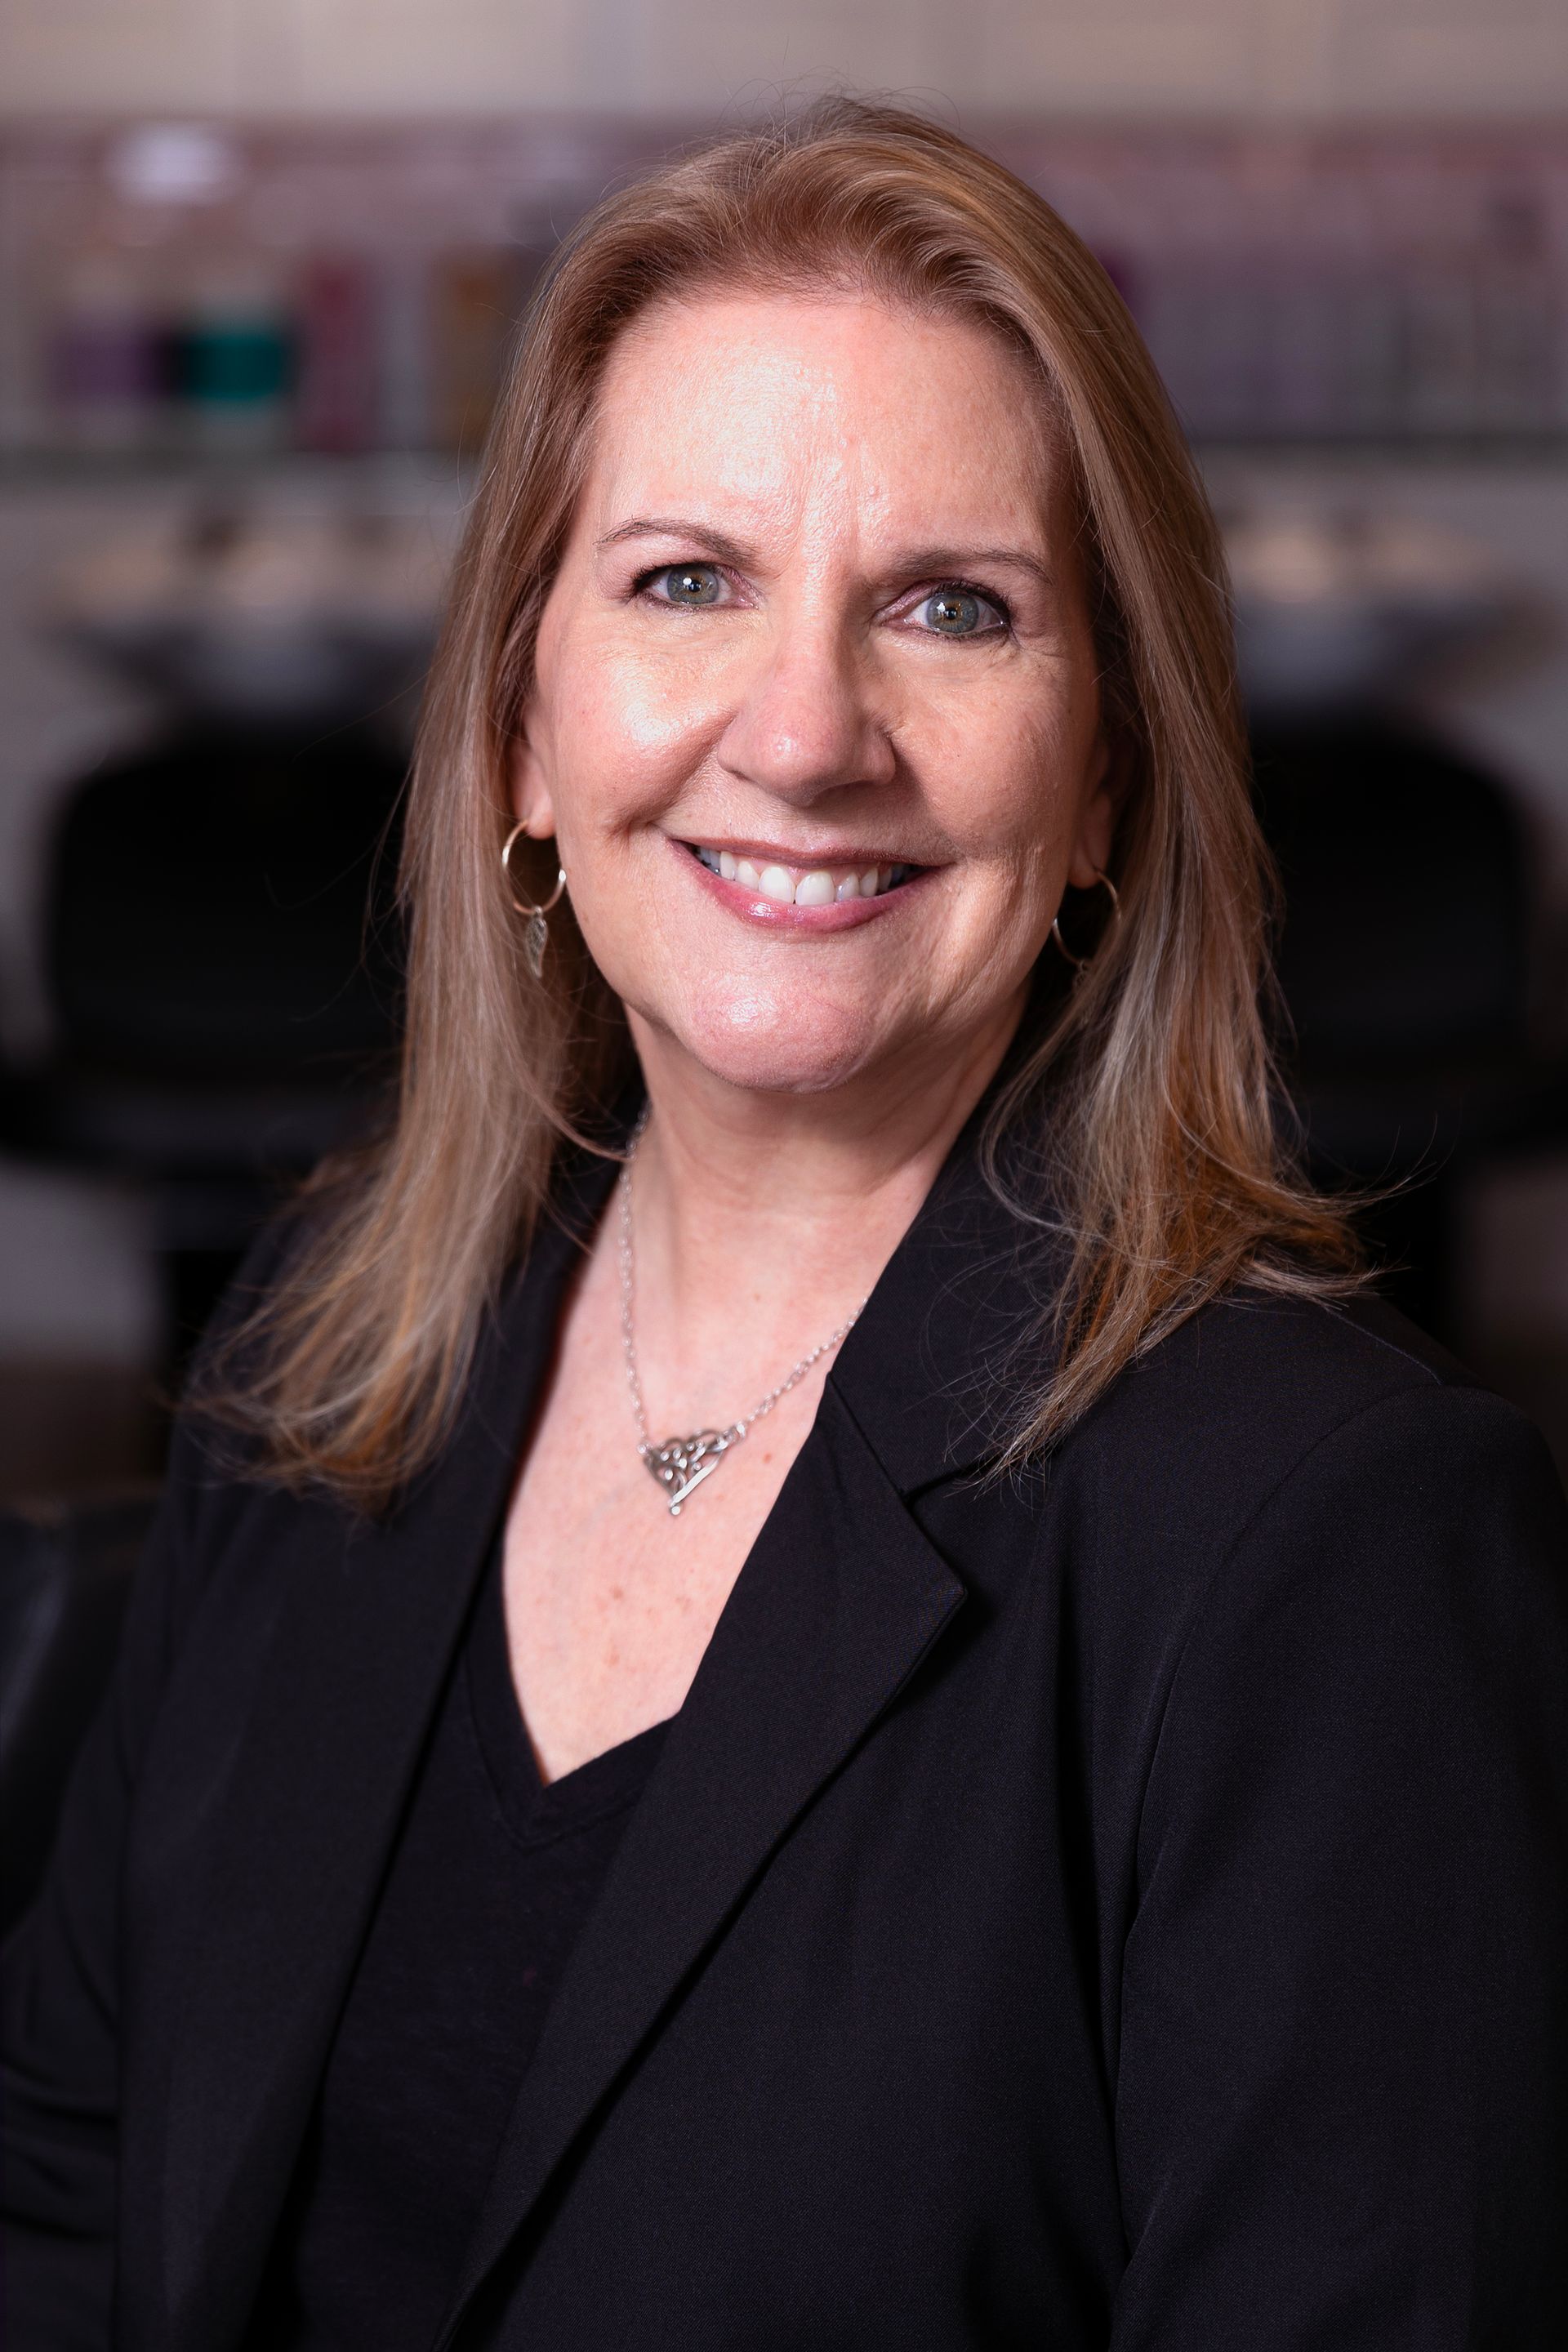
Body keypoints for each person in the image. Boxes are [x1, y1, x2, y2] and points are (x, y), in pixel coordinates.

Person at [5, 100, 1567, 2352]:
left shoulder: (1334, 1549)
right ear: (526, 735)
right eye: (684, 580)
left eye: (952, 607)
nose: (811, 731)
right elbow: (69, 2177)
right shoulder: (332, 1345)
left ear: (1109, 776)